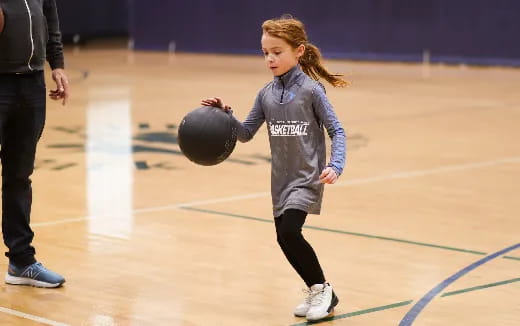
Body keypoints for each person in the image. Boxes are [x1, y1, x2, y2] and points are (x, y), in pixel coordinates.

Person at [201, 15, 347, 322]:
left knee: (292, 232)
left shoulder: (312, 91)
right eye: (265, 52)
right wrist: (225, 115)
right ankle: (318, 289)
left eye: (277, 52)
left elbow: (337, 130)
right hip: (280, 180)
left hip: (307, 178)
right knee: (283, 237)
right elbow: (244, 133)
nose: (270, 58)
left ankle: (324, 291)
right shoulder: (266, 94)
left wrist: (336, 164)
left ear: (299, 51)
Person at [0, 0, 69, 287]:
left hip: (32, 84)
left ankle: (21, 261)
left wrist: (57, 64)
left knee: (19, 175)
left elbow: (49, 18)